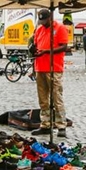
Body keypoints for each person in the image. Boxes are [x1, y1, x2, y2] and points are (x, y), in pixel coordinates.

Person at [31, 9, 71, 137]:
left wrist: (46, 52)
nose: (42, 23)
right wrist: (34, 52)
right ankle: (45, 124)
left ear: (50, 17)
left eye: (44, 20)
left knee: (56, 97)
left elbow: (64, 46)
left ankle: (61, 125)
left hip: (54, 68)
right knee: (43, 99)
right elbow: (36, 46)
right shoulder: (39, 29)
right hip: (40, 67)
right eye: (41, 21)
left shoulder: (59, 28)